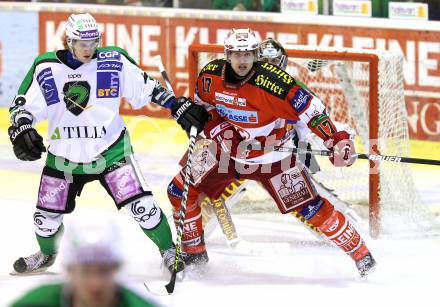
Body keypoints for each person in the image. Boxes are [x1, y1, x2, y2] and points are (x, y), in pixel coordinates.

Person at [8, 13, 208, 275]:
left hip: (112, 151)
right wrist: (22, 128)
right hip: (63, 157)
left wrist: (175, 104)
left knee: (144, 208)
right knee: (44, 221)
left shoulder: (113, 60)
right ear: (69, 41)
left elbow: (147, 87)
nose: (89, 48)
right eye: (82, 43)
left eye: (93, 42)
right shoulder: (46, 67)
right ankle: (46, 255)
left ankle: (169, 250)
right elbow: (22, 106)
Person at [166, 28, 376, 277]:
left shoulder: (279, 85)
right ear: (228, 54)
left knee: (312, 210)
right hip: (226, 153)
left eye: (250, 55)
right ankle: (194, 254)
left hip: (273, 160)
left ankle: (362, 255)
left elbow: (314, 114)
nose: (243, 61)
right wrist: (215, 126)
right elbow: (204, 104)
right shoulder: (210, 75)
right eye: (237, 54)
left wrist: (337, 140)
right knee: (180, 189)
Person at [10, 219, 163, 307]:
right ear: (69, 270)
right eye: (85, 271)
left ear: (117, 269)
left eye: (103, 270)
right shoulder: (34, 304)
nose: (95, 284)